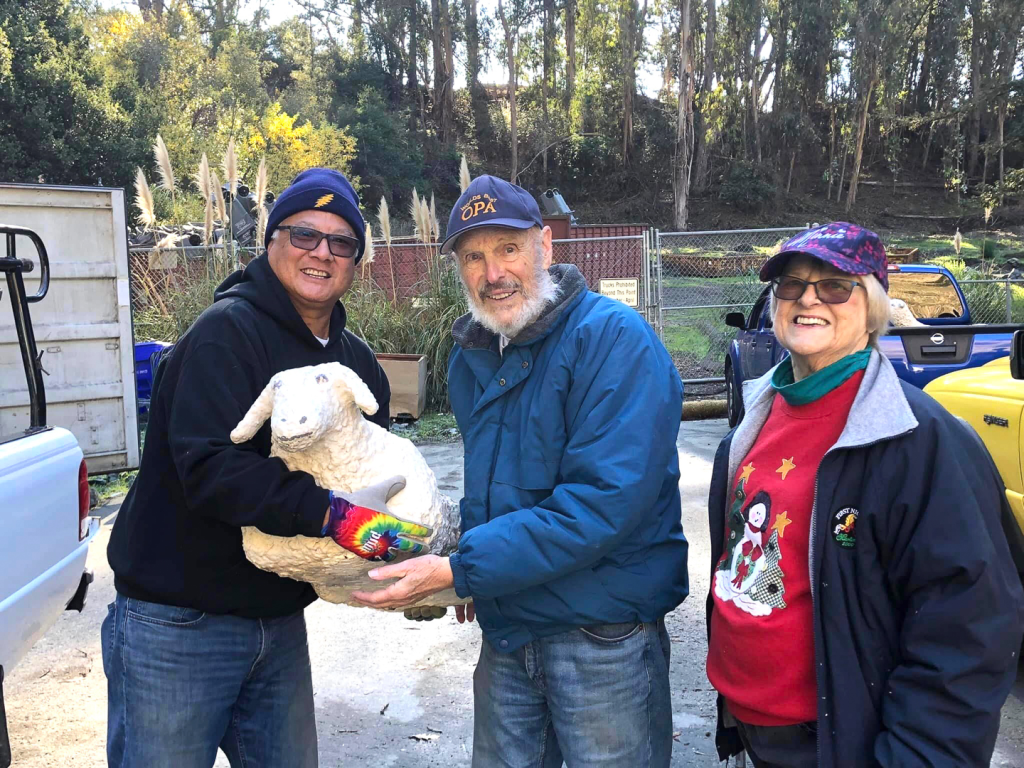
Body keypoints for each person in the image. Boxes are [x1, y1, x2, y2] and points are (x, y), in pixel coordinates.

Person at [352, 175, 689, 767]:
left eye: (508, 249)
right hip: (509, 634)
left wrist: (465, 568)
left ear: (545, 248)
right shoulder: (472, 355)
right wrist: (467, 564)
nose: (493, 274)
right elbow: (493, 488)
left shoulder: (612, 340)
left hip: (600, 635)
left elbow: (601, 504)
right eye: (473, 257)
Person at [104, 168, 426, 768]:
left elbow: (376, 466)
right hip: (178, 624)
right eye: (305, 234)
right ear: (271, 241)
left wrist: (420, 555)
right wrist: (338, 518)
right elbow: (211, 470)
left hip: (276, 623)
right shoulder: (224, 334)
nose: (322, 253)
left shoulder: (353, 362)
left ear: (356, 259)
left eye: (341, 242)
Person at [705, 222, 1024, 767]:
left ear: (873, 307)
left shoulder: (924, 440)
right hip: (754, 728)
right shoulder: (755, 422)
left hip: (842, 743)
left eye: (834, 285)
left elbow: (970, 629)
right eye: (792, 284)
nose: (807, 297)